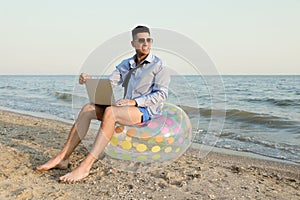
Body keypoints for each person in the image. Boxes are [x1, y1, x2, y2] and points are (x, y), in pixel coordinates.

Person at [36, 25, 171, 182]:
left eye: (149, 40)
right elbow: (109, 82)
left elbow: (162, 94)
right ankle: (63, 158)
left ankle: (85, 167)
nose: (146, 44)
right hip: (125, 109)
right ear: (133, 43)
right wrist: (89, 80)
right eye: (141, 40)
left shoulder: (159, 65)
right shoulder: (126, 64)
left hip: (146, 112)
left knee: (111, 112)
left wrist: (134, 102)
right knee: (88, 109)